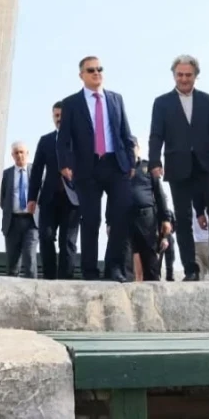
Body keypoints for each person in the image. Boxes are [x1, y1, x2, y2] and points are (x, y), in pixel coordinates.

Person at [148, 54, 209, 280]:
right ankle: (190, 269)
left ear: (196, 76)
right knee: (183, 218)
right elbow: (156, 135)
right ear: (174, 76)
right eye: (180, 75)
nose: (184, 79)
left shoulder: (207, 100)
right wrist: (154, 161)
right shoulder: (162, 103)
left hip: (207, 164)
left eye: (188, 75)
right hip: (178, 166)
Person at [56, 55, 138, 281]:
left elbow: (125, 132)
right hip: (87, 167)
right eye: (91, 70)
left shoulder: (115, 99)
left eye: (99, 69)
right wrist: (65, 164)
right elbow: (63, 139)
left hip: (116, 165)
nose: (96, 73)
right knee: (91, 219)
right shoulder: (71, 103)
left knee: (121, 215)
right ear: (81, 75)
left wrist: (131, 161)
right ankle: (90, 271)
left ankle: (114, 268)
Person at [29, 101, 79, 280]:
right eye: (56, 116)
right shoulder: (46, 141)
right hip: (49, 198)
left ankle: (66, 280)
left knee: (68, 242)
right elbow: (36, 170)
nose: (59, 119)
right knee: (45, 236)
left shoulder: (80, 141)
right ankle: (49, 279)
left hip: (72, 199)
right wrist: (32, 198)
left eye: (62, 116)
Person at [125, 150, 173, 282]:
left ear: (138, 149)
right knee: (127, 262)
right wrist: (109, 221)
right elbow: (113, 196)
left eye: (133, 147)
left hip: (146, 218)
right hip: (126, 218)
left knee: (150, 259)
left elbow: (159, 195)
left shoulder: (148, 167)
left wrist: (166, 219)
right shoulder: (120, 168)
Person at [0, 141, 37, 278]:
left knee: (29, 258)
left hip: (31, 222)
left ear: (27, 153)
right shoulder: (6, 174)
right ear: (12, 155)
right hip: (12, 223)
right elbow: (2, 198)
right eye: (16, 153)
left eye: (22, 152)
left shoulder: (37, 172)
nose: (19, 155)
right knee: (12, 263)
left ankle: (33, 288)